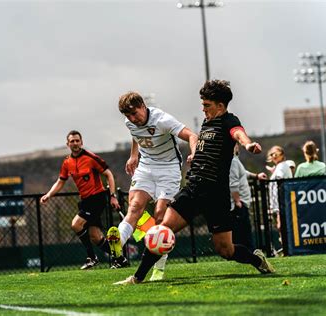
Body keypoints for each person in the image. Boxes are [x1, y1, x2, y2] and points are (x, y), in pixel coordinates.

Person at [114, 79, 274, 285]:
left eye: (207, 105)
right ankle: (137, 278)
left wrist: (248, 143)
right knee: (161, 229)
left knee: (225, 250)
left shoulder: (229, 121)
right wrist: (194, 154)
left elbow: (238, 133)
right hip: (194, 187)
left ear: (221, 106)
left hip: (217, 194)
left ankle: (256, 259)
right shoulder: (207, 123)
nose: (203, 108)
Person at [108, 91, 198, 280]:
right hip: (146, 166)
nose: (132, 119)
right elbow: (135, 134)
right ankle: (118, 244)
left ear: (143, 106)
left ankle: (159, 267)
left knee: (160, 216)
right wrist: (134, 155)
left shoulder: (162, 120)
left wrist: (194, 153)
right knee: (134, 207)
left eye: (135, 114)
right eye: (128, 116)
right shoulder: (130, 122)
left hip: (169, 169)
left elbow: (192, 135)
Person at [40, 130, 127, 270]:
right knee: (95, 237)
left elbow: (109, 174)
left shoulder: (91, 157)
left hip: (97, 198)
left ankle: (92, 257)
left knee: (76, 224)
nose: (75, 143)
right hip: (86, 200)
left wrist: (112, 196)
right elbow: (60, 181)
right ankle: (120, 259)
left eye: (77, 140)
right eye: (72, 141)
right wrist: (49, 194)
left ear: (81, 142)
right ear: (67, 144)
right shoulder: (67, 162)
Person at [230, 142, 267, 251]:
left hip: (241, 204)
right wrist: (237, 202)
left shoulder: (235, 160)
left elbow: (243, 173)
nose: (238, 147)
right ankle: (250, 258)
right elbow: (233, 184)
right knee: (244, 238)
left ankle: (249, 256)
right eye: (236, 144)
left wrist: (256, 176)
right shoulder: (232, 161)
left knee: (244, 236)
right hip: (238, 205)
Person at [266, 145, 292, 255]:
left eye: (276, 154)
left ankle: (287, 248)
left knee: (282, 225)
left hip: (282, 201)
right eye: (272, 154)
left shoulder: (281, 166)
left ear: (282, 155)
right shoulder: (279, 166)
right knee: (280, 225)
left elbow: (280, 178)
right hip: (278, 202)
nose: (274, 156)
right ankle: (286, 247)